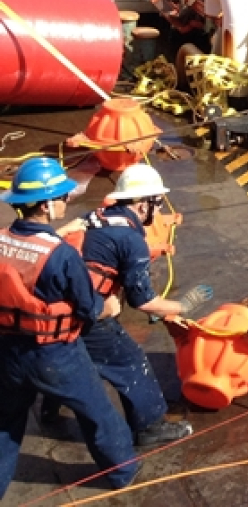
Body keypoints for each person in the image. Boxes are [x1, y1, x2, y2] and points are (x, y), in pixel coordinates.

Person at [0, 156, 138, 495]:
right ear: (47, 205)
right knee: (98, 411)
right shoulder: (62, 255)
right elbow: (88, 308)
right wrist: (109, 306)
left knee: (5, 422)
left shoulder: (2, 239)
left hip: (8, 350)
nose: (67, 201)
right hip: (54, 354)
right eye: (62, 197)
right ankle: (123, 471)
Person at [66, 163, 212, 447]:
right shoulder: (132, 240)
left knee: (69, 356)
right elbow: (143, 300)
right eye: (156, 203)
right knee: (131, 363)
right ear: (143, 204)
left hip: (63, 304)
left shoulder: (98, 216)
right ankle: (150, 427)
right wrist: (181, 306)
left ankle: (49, 407)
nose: (157, 211)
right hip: (89, 314)